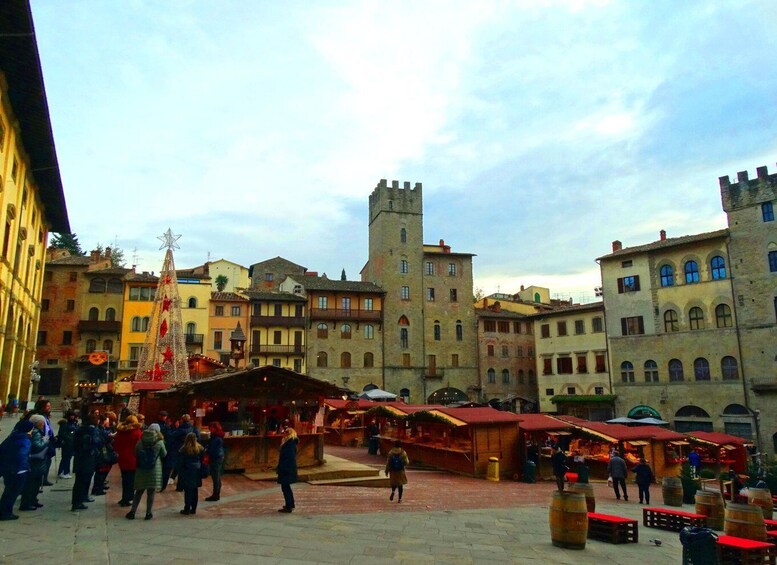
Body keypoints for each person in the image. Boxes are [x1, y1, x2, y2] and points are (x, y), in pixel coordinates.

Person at [127, 423, 166, 520]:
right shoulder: (159, 442)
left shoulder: (141, 441)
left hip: (141, 469)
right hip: (154, 469)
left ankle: (132, 512)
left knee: (139, 491)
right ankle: (148, 513)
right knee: (151, 492)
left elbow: (135, 452)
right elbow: (164, 454)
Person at [0, 420, 34, 520]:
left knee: (8, 491)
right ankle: (6, 513)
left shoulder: (12, 436)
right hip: (18, 470)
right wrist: (23, 468)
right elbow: (22, 455)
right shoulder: (25, 440)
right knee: (13, 492)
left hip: (6, 468)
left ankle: (3, 511)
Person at [71, 412, 99, 511]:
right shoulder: (92, 430)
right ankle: (79, 501)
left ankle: (77, 501)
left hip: (79, 457)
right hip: (88, 458)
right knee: (84, 480)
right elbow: (96, 442)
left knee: (79, 481)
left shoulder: (79, 430)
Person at [19, 414, 48, 511]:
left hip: (35, 461)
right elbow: (37, 445)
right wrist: (45, 441)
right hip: (35, 461)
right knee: (31, 483)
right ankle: (27, 502)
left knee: (35, 483)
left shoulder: (35, 431)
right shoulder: (36, 432)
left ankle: (32, 500)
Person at [114, 414, 143, 507]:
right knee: (131, 480)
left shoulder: (120, 432)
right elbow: (140, 446)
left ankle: (124, 497)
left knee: (125, 479)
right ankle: (129, 498)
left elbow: (116, 445)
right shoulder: (137, 432)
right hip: (133, 459)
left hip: (122, 458)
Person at [177, 432, 206, 515]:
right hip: (197, 471)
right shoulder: (200, 448)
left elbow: (180, 462)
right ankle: (193, 509)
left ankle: (187, 508)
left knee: (187, 491)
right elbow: (203, 459)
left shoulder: (183, 449)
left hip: (186, 471)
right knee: (195, 490)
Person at [276, 426, 298, 513]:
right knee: (285, 487)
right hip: (287, 468)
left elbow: (288, 458)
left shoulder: (289, 444)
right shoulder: (289, 443)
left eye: (284, 433)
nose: (283, 434)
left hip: (287, 469)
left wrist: (282, 468)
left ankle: (289, 505)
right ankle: (290, 504)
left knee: (285, 487)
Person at [205, 421, 225, 502]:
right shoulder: (217, 436)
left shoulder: (216, 438)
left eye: (211, 428)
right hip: (218, 456)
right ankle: (216, 494)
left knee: (215, 476)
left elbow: (213, 449)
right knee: (216, 476)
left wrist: (207, 451)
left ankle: (216, 495)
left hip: (216, 457)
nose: (210, 429)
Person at [57, 410, 78, 479]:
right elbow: (61, 433)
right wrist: (68, 438)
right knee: (65, 457)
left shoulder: (73, 423)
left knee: (68, 458)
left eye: (73, 415)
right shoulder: (65, 423)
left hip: (71, 443)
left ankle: (66, 471)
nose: (72, 417)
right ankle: (62, 471)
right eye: (71, 415)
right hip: (66, 443)